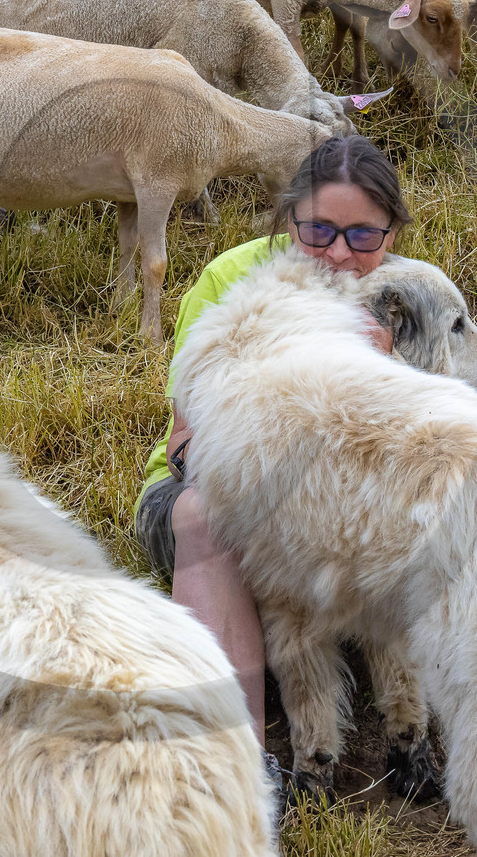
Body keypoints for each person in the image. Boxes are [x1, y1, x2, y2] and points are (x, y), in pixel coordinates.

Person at [134, 135, 412, 776]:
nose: (340, 254)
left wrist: (386, 372)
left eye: (363, 237)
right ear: (287, 218)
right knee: (206, 515)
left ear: (390, 236)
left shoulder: (403, 297)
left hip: (346, 521)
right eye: (318, 230)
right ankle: (232, 772)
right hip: (219, 498)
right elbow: (189, 448)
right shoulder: (234, 279)